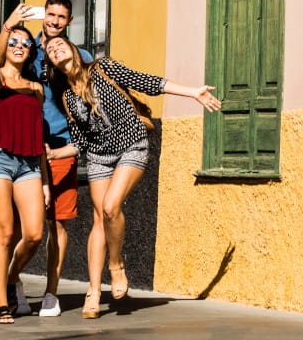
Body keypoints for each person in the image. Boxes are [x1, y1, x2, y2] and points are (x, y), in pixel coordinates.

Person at [42, 34, 221, 318]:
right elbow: (79, 142)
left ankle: (116, 265)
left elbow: (147, 82)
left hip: (131, 144)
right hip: (99, 155)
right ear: (51, 63)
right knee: (99, 219)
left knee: (111, 207)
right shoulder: (67, 97)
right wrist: (55, 154)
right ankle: (94, 291)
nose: (55, 47)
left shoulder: (103, 69)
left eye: (60, 43)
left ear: (74, 49)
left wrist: (192, 92)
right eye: (50, 49)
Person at [15, 0, 90, 317]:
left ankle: (50, 292)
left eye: (62, 17)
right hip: (25, 148)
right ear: (43, 15)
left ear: (69, 21)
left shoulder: (79, 56)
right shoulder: (27, 49)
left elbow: (89, 98)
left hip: (60, 148)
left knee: (57, 224)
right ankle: (12, 283)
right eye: (51, 14)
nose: (55, 21)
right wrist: (10, 26)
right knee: (22, 228)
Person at [0, 24, 48, 324]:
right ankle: (1, 304)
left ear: (31, 51)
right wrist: (7, 27)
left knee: (33, 234)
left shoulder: (37, 88)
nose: (19, 46)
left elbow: (39, 135)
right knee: (4, 233)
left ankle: (11, 276)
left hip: (29, 163)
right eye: (13, 42)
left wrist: (44, 181)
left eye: (25, 43)